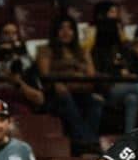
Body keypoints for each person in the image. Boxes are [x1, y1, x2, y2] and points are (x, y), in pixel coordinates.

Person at [36, 16, 103, 151]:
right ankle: (88, 141)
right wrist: (75, 74)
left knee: (97, 102)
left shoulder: (82, 51)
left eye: (70, 29)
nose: (66, 32)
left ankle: (86, 140)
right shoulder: (45, 50)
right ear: (55, 32)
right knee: (65, 96)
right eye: (62, 28)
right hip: (55, 94)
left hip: (80, 91)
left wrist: (72, 80)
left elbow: (91, 75)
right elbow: (45, 75)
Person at [91, 7, 138, 133]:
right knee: (136, 85)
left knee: (132, 99)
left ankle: (128, 133)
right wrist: (121, 74)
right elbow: (99, 73)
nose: (122, 32)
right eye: (119, 29)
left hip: (126, 89)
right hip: (109, 90)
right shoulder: (98, 51)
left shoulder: (125, 50)